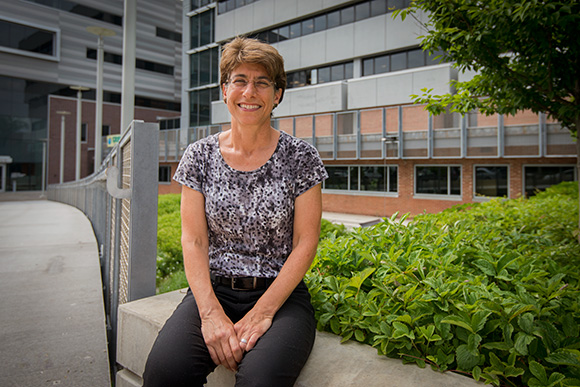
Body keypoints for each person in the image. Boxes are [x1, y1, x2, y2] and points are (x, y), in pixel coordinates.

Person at [143, 36, 328, 387]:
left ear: (277, 94)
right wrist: (211, 313)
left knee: (261, 380)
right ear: (225, 90)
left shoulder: (301, 158)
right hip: (214, 292)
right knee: (164, 374)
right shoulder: (199, 156)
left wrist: (264, 312)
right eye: (239, 81)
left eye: (262, 83)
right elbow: (194, 240)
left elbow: (306, 242)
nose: (249, 92)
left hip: (281, 297)